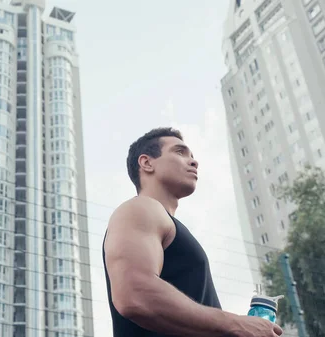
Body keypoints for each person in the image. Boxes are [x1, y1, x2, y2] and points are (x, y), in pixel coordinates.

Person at [102, 127, 284, 337]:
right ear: (147, 163)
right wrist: (235, 324)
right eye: (180, 152)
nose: (194, 162)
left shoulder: (165, 222)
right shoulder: (140, 208)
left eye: (193, 156)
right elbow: (134, 295)